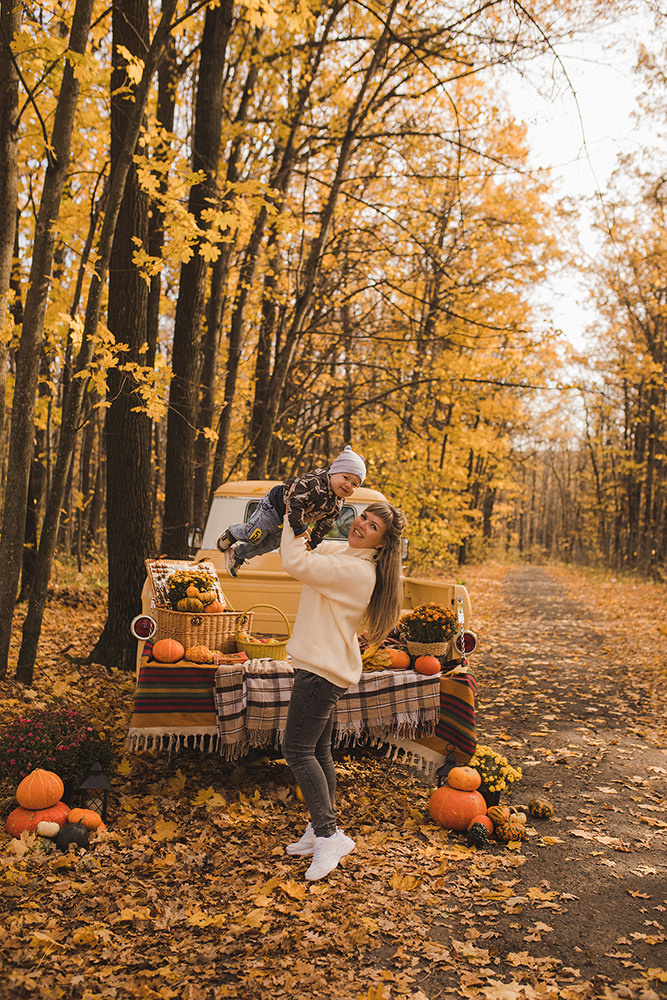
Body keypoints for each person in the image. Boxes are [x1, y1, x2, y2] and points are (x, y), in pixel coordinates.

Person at [280, 499, 407, 881]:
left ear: (381, 544)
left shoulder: (357, 571)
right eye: (363, 517)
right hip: (324, 666)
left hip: (321, 671)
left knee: (296, 750)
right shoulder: (346, 555)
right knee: (318, 750)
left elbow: (296, 562)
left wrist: (291, 516)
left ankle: (328, 835)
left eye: (372, 527)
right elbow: (314, 552)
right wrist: (310, 521)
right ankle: (318, 828)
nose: (361, 525)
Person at [217, 446, 367, 578]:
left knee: (270, 544)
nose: (349, 485)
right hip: (275, 507)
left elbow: (327, 523)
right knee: (255, 534)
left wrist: (313, 541)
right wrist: (299, 526)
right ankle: (232, 533)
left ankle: (238, 554)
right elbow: (295, 500)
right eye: (345, 477)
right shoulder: (315, 482)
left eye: (355, 484)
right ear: (333, 472)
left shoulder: (337, 502)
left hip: (288, 521)